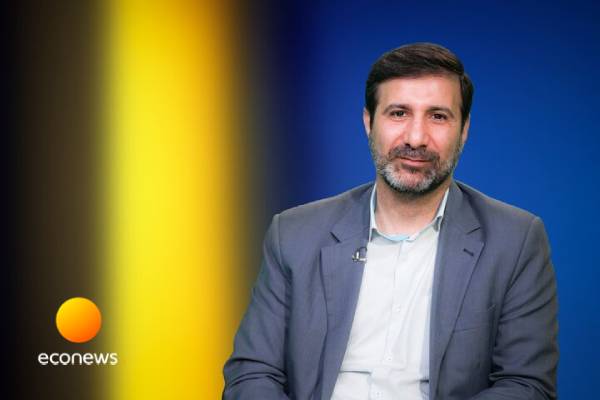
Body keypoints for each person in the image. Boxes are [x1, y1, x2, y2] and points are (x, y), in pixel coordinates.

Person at [222, 42, 558, 400]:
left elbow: (527, 386)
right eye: (399, 113)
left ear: (464, 130)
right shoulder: (293, 234)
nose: (416, 138)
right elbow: (251, 374)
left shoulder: (515, 241)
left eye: (438, 116)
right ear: (369, 122)